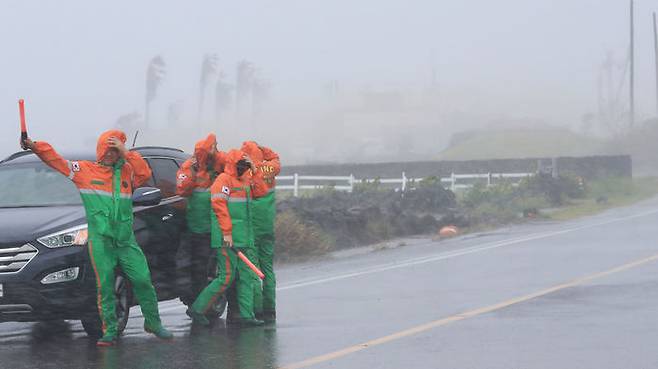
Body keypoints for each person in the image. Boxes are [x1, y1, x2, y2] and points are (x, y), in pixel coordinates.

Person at [23, 130, 173, 346]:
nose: (111, 154)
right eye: (108, 149)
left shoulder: (128, 172)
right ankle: (110, 330)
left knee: (142, 279)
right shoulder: (84, 171)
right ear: (101, 150)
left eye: (115, 150)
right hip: (101, 241)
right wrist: (35, 145)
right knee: (105, 285)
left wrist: (126, 152)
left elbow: (144, 172)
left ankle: (153, 322)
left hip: (125, 241)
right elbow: (55, 160)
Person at [186, 149, 268, 327]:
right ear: (232, 164)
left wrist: (255, 170)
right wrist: (227, 233)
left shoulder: (246, 179)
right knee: (226, 277)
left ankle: (247, 315)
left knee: (246, 276)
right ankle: (197, 309)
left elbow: (261, 192)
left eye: (244, 165)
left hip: (244, 237)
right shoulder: (223, 180)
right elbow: (219, 206)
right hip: (227, 239)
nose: (242, 168)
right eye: (240, 165)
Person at [175, 133, 225, 307]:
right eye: (213, 147)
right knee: (199, 267)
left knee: (216, 268)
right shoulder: (190, 167)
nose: (216, 150)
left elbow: (236, 166)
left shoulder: (220, 162)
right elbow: (182, 190)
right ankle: (198, 304)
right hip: (197, 227)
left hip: (218, 226)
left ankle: (204, 304)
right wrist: (196, 173)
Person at [240, 141, 280, 322]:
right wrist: (263, 148)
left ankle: (257, 310)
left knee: (253, 270)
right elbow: (276, 158)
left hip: (252, 228)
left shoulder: (245, 174)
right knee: (268, 269)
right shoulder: (269, 168)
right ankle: (270, 308)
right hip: (268, 226)